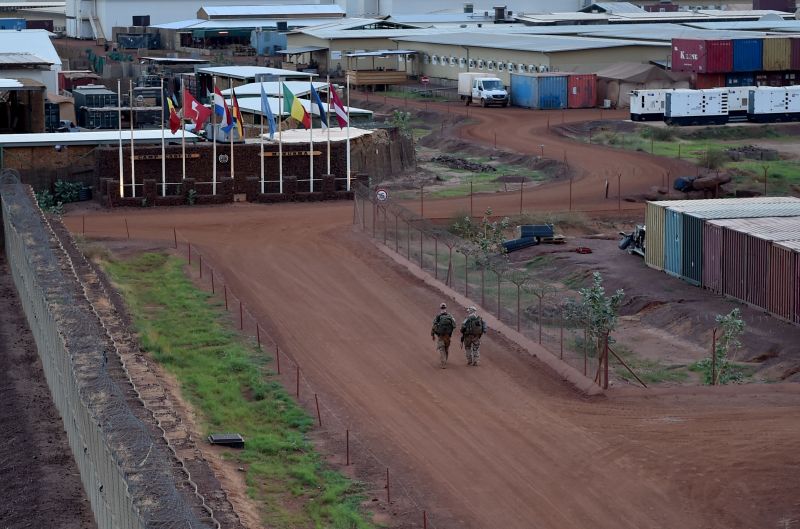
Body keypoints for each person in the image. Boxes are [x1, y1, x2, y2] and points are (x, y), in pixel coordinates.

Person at [431, 302, 456, 369]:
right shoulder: (450, 316)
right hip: (447, 336)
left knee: (442, 349)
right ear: (446, 308)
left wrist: (432, 335)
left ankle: (443, 362)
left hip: (441, 336)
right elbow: (454, 325)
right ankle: (445, 360)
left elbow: (433, 326)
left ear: (440, 308)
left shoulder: (438, 316)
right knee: (446, 349)